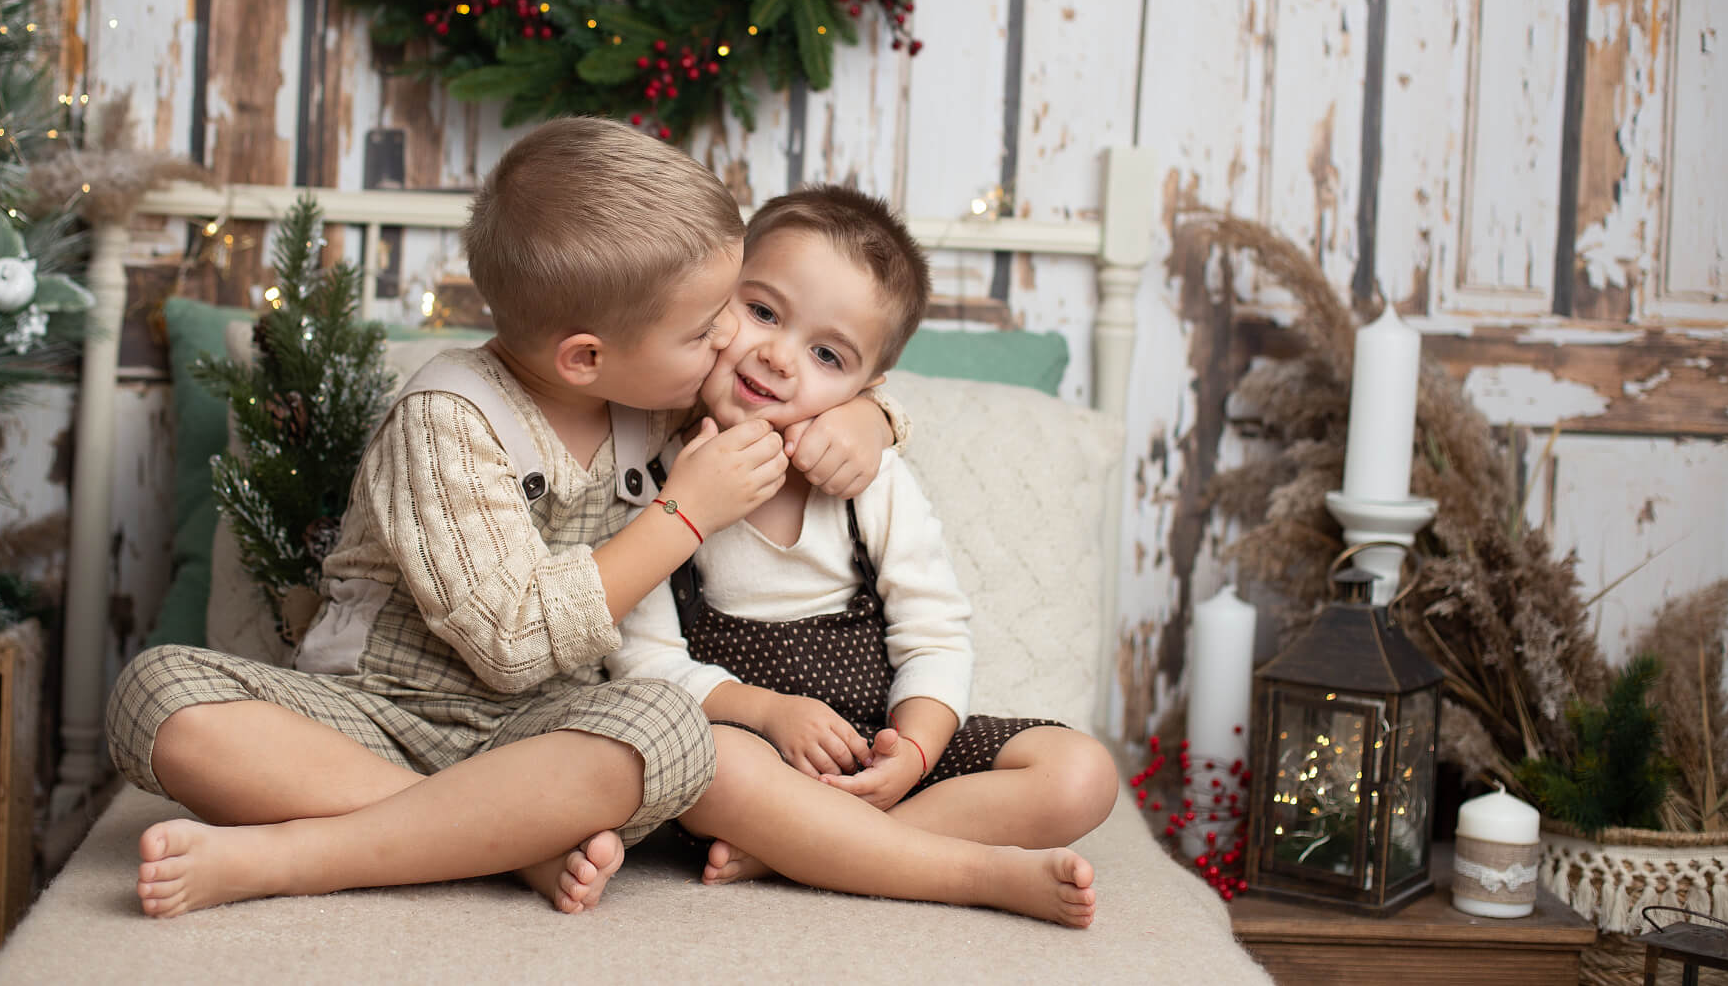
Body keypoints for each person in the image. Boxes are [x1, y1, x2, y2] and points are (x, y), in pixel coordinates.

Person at [105, 118, 898, 917]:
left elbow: (798, 392)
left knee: (671, 728)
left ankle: (343, 845)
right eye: (704, 327)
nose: (731, 335)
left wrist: (872, 417)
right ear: (585, 357)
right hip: (373, 716)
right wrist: (681, 515)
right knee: (155, 694)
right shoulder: (446, 419)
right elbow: (513, 641)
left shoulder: (658, 387)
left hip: (542, 735)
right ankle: (494, 836)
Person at [609, 184, 1120, 902]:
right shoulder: (658, 470)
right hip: (752, 760)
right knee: (698, 762)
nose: (780, 357)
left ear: (865, 387)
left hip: (876, 743)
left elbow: (935, 634)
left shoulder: (871, 481)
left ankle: (815, 849)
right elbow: (645, 664)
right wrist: (767, 712)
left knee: (1081, 771)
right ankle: (963, 872)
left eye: (826, 353)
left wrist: (910, 751)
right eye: (760, 311)